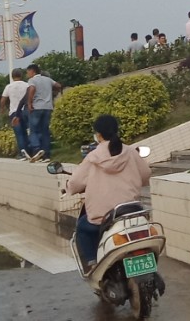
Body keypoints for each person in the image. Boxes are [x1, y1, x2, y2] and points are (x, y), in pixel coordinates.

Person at [63, 114, 152, 274]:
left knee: (82, 227)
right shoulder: (130, 152)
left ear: (98, 135)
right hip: (131, 211)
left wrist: (68, 188)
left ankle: (92, 264)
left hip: (103, 217)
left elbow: (75, 183)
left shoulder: (93, 157)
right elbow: (146, 175)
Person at [24, 63, 62, 161]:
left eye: (28, 72)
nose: (27, 74)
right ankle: (46, 155)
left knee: (33, 130)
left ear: (32, 71)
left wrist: (29, 103)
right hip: (48, 107)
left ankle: (37, 149)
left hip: (36, 107)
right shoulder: (47, 79)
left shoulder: (32, 80)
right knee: (45, 131)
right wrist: (53, 92)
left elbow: (32, 89)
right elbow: (58, 85)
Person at [0, 68, 32, 159]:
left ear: (12, 76)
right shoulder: (27, 85)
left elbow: (3, 100)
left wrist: (2, 109)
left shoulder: (9, 87)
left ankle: (22, 153)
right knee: (26, 132)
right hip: (25, 111)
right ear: (21, 75)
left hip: (14, 112)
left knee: (19, 134)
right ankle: (29, 151)